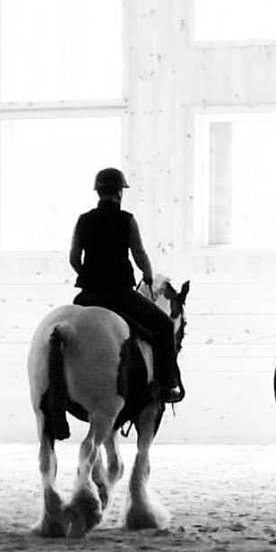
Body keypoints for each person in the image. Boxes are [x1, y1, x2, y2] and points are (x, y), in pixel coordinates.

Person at [69, 167, 184, 403]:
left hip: (88, 296)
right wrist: (148, 274)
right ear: (119, 193)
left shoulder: (84, 220)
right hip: (119, 294)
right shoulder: (126, 220)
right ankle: (168, 384)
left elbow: (73, 258)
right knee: (163, 325)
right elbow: (139, 253)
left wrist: (89, 276)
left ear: (98, 192)